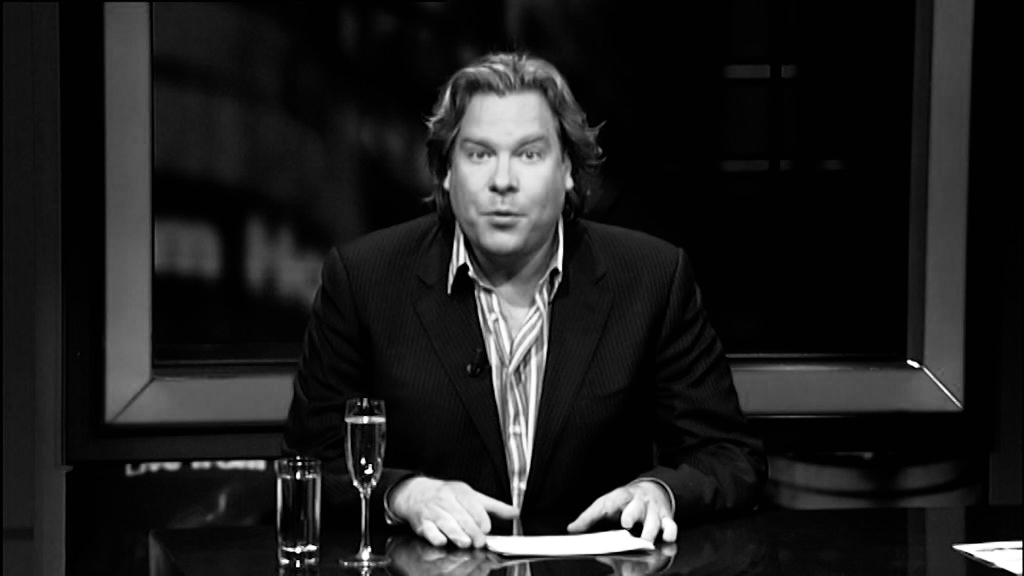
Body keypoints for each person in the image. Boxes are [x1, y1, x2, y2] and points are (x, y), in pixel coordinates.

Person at [284, 51, 766, 549]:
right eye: (479, 154)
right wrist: (403, 493)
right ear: (446, 171)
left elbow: (729, 457)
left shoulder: (650, 279)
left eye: (529, 154)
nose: (503, 181)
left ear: (568, 170)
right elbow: (310, 462)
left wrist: (660, 492)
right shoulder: (365, 280)